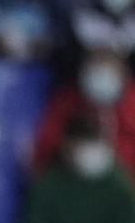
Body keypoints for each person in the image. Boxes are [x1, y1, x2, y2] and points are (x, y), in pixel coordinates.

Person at [33, 49, 135, 180]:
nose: (102, 75)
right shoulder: (67, 100)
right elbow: (45, 148)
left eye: (107, 65)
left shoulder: (132, 103)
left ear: (122, 70)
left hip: (126, 182)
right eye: (97, 65)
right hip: (70, 180)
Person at [25, 115, 135, 223]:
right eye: (83, 145)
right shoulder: (49, 186)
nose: (89, 153)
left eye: (93, 143)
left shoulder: (120, 187)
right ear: (67, 147)